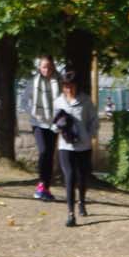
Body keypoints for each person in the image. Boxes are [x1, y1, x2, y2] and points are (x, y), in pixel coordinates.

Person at [52, 68, 98, 228]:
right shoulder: (58, 102)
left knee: (82, 177)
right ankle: (70, 214)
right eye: (65, 86)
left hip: (84, 146)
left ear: (76, 86)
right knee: (70, 177)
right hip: (66, 147)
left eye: (71, 86)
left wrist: (90, 134)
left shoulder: (86, 101)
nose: (68, 89)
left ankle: (82, 202)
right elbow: (54, 123)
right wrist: (58, 126)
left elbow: (94, 120)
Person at [29, 55, 61, 201]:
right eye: (44, 66)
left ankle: (46, 188)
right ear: (39, 68)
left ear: (53, 67)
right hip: (38, 123)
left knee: (49, 154)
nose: (46, 69)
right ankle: (41, 184)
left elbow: (63, 101)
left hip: (53, 123)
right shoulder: (34, 82)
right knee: (43, 151)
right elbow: (24, 100)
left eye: (49, 66)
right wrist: (33, 113)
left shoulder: (59, 81)